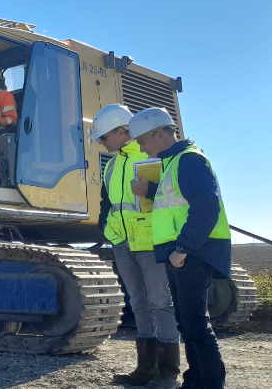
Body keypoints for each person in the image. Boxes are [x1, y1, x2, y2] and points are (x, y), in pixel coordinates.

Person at [129, 107, 231, 389]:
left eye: (142, 140)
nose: (140, 146)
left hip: (192, 251)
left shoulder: (188, 160)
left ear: (159, 133)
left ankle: (210, 383)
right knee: (188, 323)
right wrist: (150, 191)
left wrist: (183, 248)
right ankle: (196, 380)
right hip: (183, 251)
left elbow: (206, 208)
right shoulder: (174, 162)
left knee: (196, 324)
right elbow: (178, 201)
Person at [92, 104, 180, 387]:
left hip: (150, 241)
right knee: (139, 304)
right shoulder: (113, 164)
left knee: (160, 303)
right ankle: (146, 368)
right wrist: (106, 230)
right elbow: (109, 204)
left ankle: (168, 372)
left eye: (104, 137)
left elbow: (164, 200)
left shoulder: (148, 156)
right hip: (123, 242)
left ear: (121, 131)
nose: (101, 143)